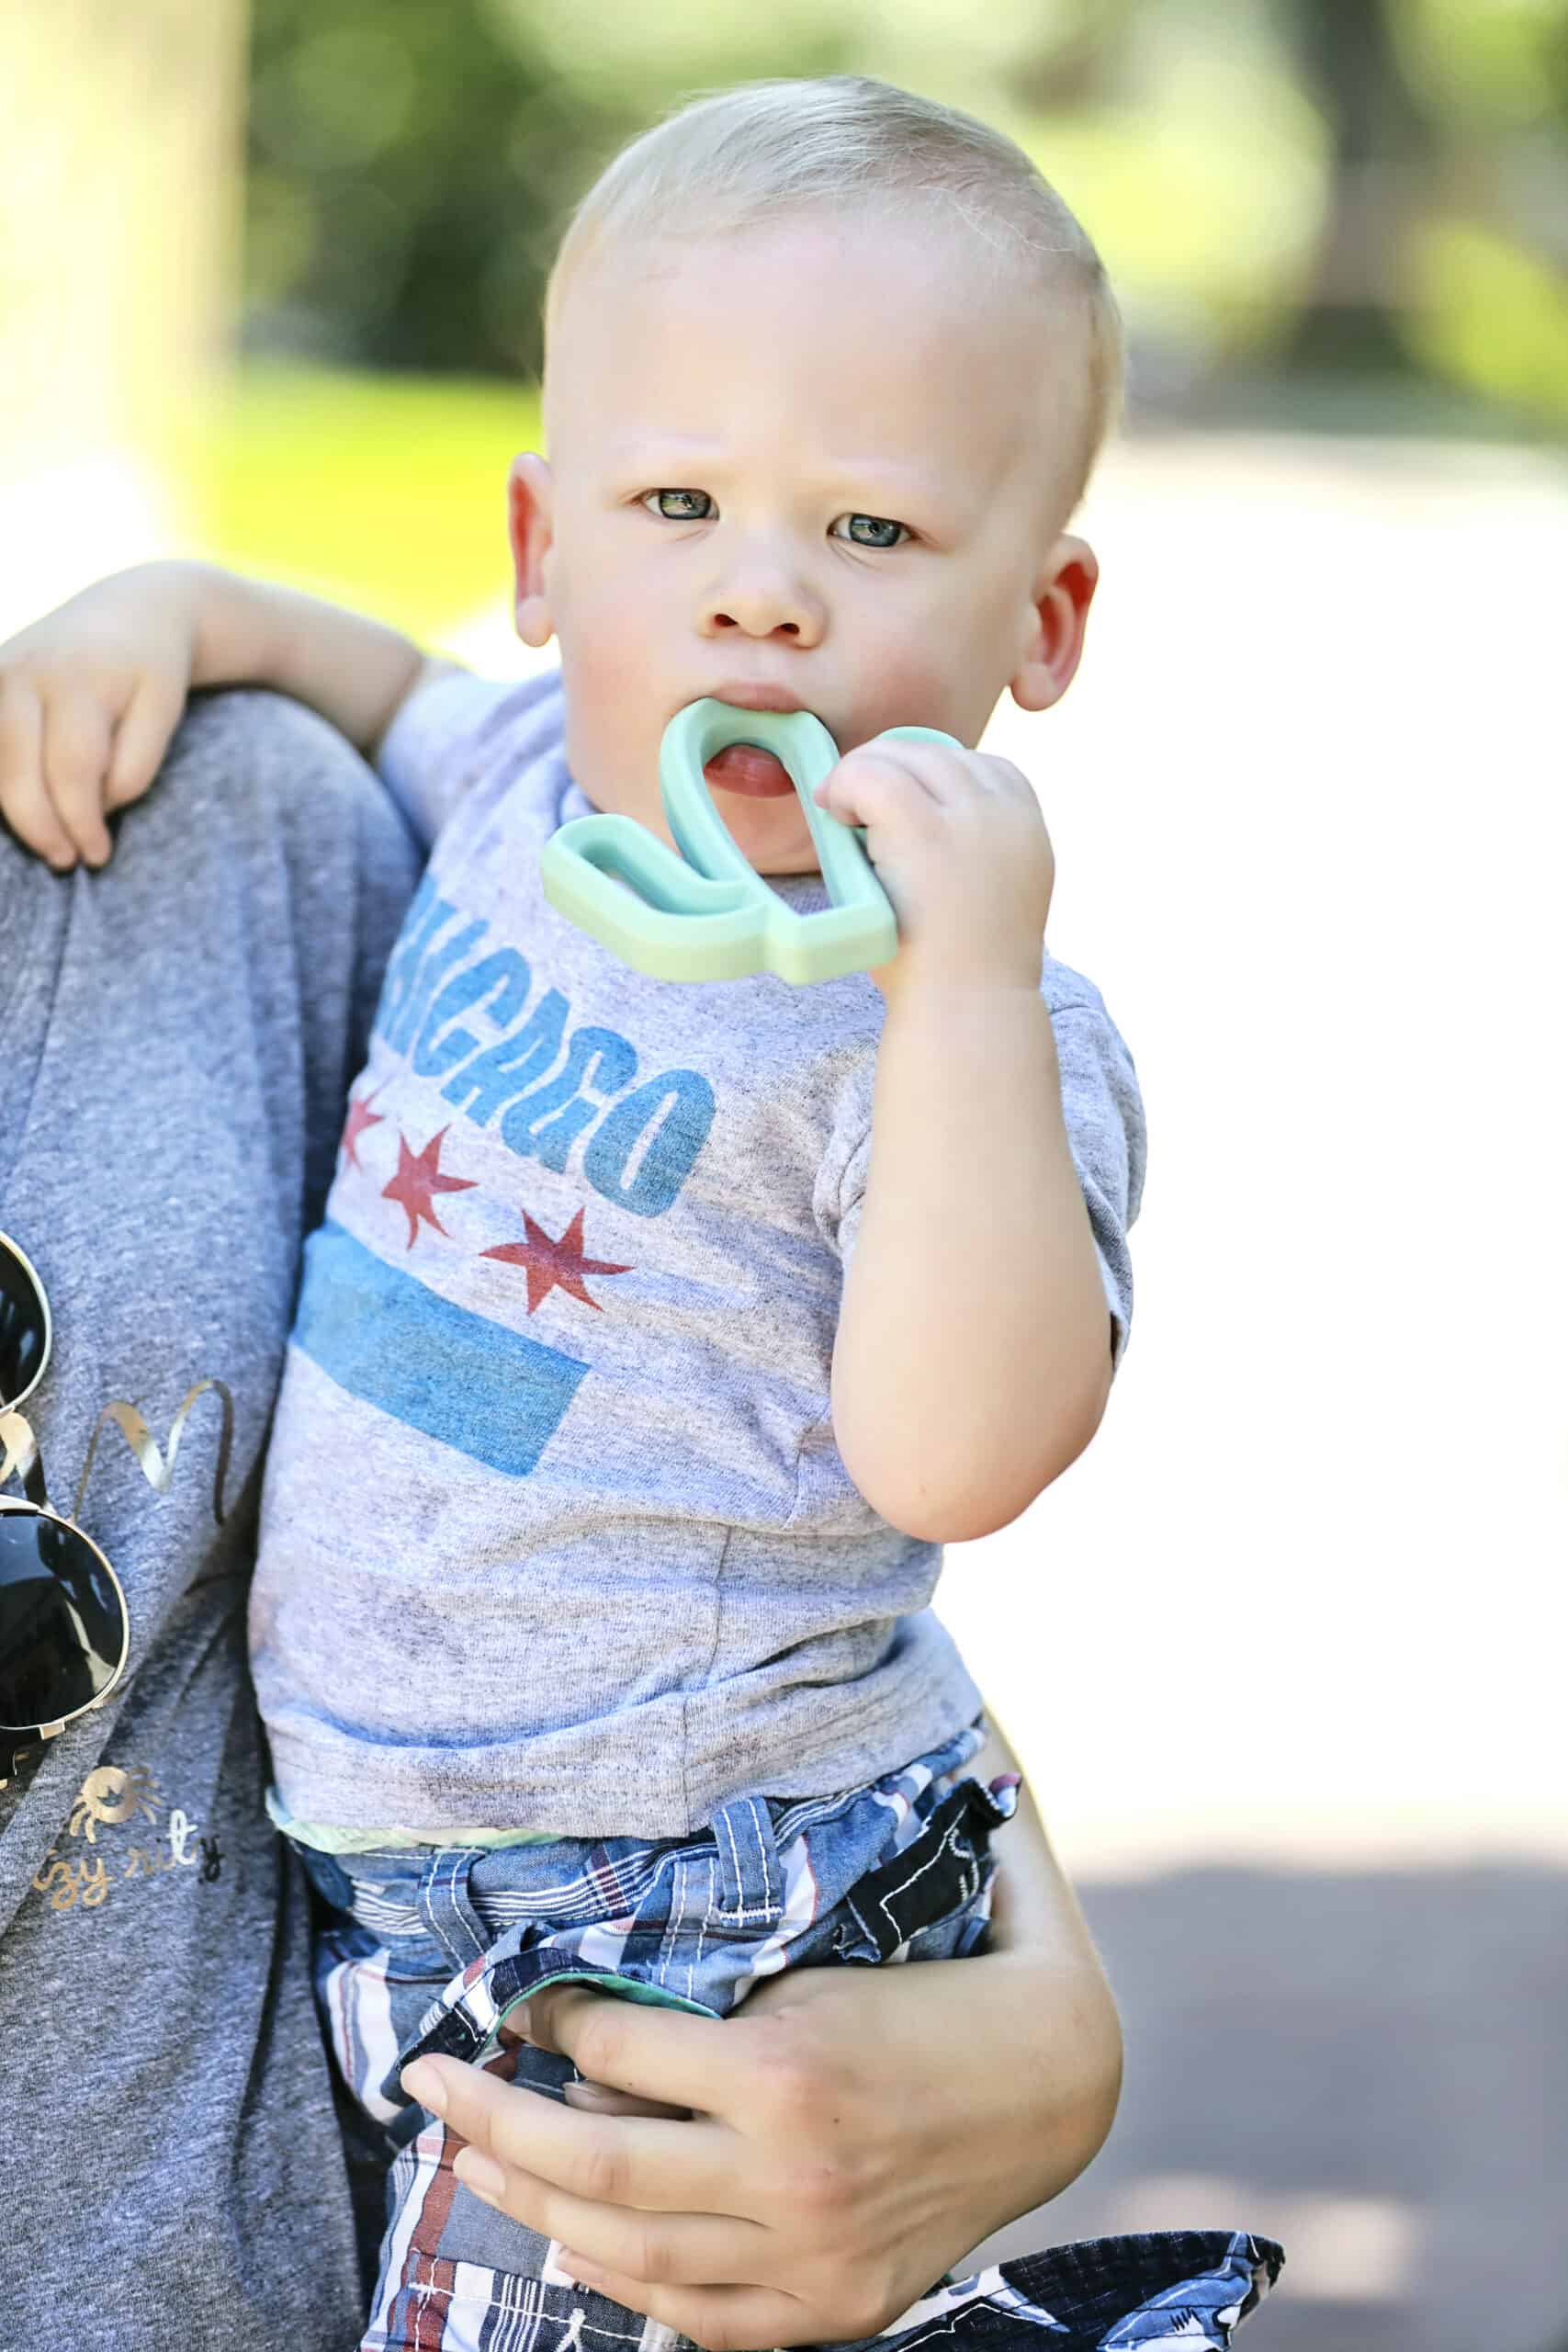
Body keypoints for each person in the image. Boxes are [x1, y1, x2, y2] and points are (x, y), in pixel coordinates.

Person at [0, 72, 1283, 2352]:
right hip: (404, 1858)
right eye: (675, 501)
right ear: (539, 547)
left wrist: (962, 983)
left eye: (872, 535)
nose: (760, 593)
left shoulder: (969, 1023)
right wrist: (174, 602)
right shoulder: (509, 780)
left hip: (685, 1882)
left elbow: (960, 1455)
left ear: (1046, 614)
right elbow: (376, 683)